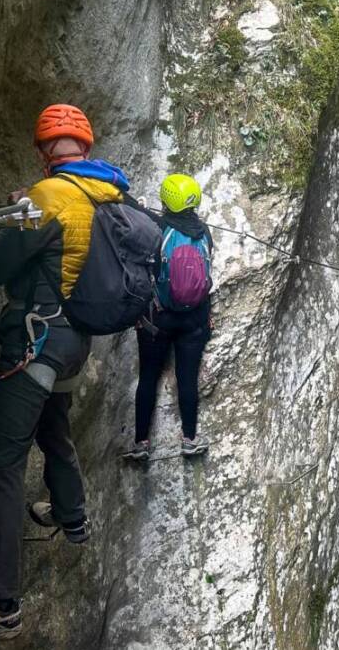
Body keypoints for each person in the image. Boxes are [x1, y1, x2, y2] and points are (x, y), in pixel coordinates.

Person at [0, 104, 133, 645]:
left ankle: (1, 606)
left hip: (35, 343)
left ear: (45, 150)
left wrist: (12, 217)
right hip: (76, 344)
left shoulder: (48, 197)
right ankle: (71, 515)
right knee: (54, 426)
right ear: (85, 147)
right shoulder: (110, 195)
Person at [123, 174, 213, 462]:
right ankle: (189, 439)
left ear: (166, 200)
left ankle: (141, 443)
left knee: (148, 377)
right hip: (195, 320)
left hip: (158, 319)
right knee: (187, 379)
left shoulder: (156, 229)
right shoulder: (205, 233)